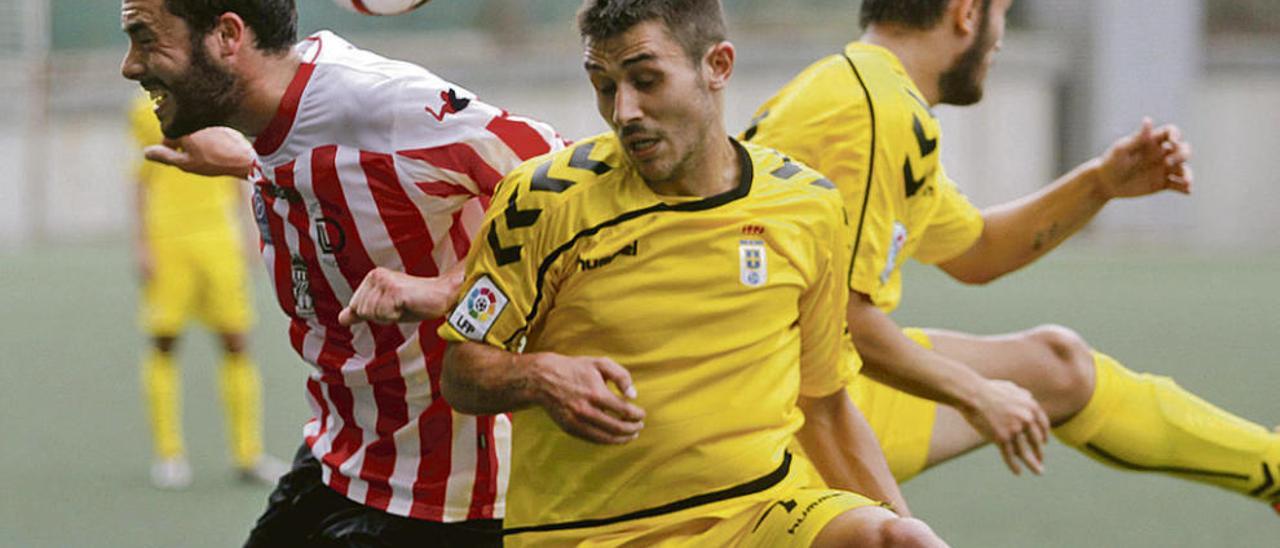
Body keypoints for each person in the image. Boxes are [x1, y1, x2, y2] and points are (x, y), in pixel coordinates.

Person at [434, 1, 945, 546]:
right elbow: (461, 371)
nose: (625, 110)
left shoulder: (807, 204)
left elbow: (824, 403)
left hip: (761, 513)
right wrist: (539, 376)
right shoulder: (544, 200)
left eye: (646, 79)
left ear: (718, 66)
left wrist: (902, 527)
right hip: (589, 534)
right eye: (604, 85)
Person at [744, 0, 1280, 513]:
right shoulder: (875, 111)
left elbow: (977, 251)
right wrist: (976, 393)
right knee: (896, 536)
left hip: (807, 386)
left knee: (1057, 366)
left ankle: (1272, 469)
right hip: (778, 424)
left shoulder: (862, 91)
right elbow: (841, 318)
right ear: (967, 12)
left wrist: (1100, 183)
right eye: (1002, 11)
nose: (999, 38)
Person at [119, 0, 563, 545]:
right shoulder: (271, 117)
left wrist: (449, 288)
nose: (131, 65)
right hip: (340, 460)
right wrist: (247, 161)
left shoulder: (379, 104)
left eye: (145, 38)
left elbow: (565, 194)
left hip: (450, 499)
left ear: (227, 35)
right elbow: (330, 161)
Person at [128, 93, 285, 489]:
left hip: (219, 240)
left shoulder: (220, 103)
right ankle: (169, 454)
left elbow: (234, 172)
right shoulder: (143, 109)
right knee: (164, 341)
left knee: (236, 341)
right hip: (169, 239)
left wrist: (250, 233)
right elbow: (140, 177)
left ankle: (247, 454)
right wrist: (142, 243)